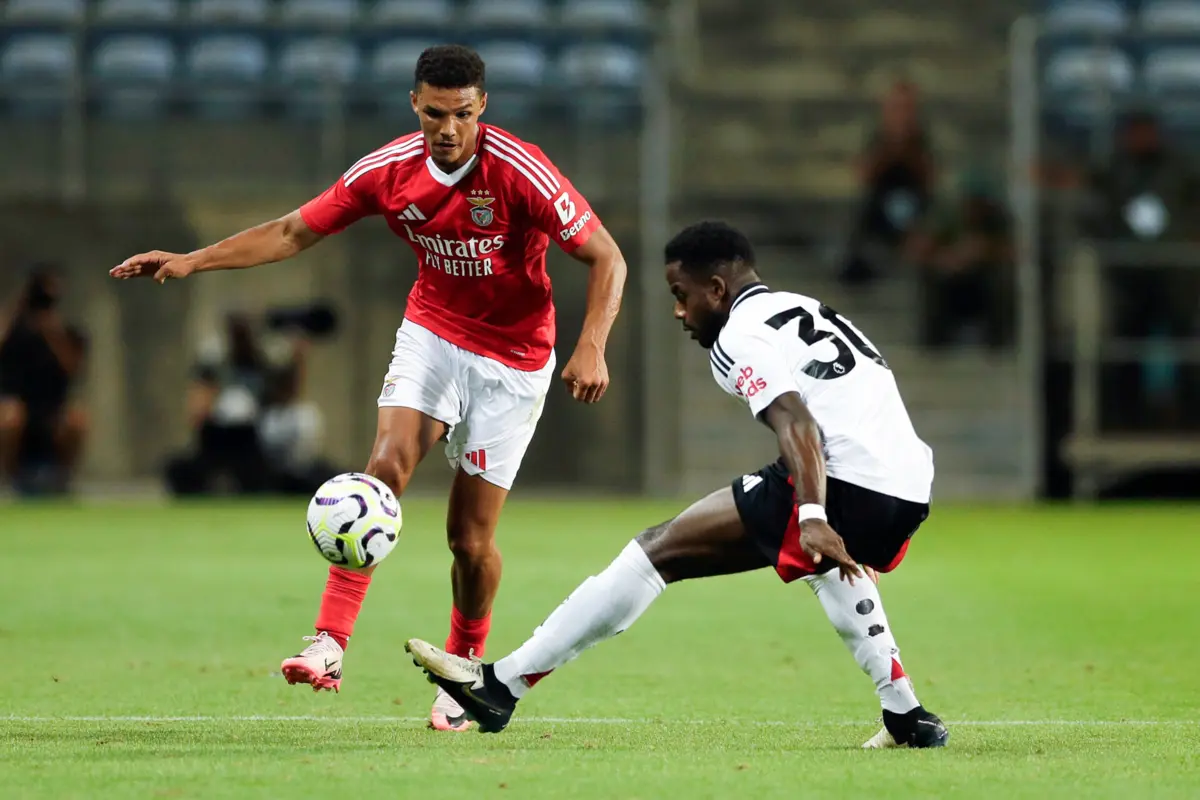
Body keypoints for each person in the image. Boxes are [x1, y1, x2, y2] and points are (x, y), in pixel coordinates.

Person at [110, 44, 628, 731]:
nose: (448, 129)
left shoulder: (517, 170)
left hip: (514, 361)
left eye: (463, 115)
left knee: (469, 542)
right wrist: (192, 261)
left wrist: (590, 344)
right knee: (382, 470)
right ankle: (329, 642)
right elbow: (295, 230)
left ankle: (465, 671)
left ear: (483, 109)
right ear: (415, 104)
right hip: (434, 335)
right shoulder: (388, 172)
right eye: (436, 113)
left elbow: (605, 254)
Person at [405, 221, 948, 749]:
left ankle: (501, 686)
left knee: (656, 552)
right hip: (909, 486)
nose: (679, 311)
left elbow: (798, 422)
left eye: (681, 294)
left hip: (847, 480)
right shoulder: (799, 307)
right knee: (822, 562)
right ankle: (905, 712)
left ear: (716, 288)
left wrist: (814, 515)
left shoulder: (739, 334)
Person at [0, 264, 89, 495]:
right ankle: (12, 483)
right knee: (10, 418)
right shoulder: (15, 329)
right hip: (18, 403)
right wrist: (16, 311)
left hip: (51, 407)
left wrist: (52, 332)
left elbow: (73, 368)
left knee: (77, 419)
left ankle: (62, 481)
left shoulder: (63, 333)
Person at [905, 169, 1013, 350]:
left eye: (981, 204)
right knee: (934, 286)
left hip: (983, 282)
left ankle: (997, 345)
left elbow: (1017, 252)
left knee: (1001, 285)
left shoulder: (998, 219)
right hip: (949, 279)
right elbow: (914, 250)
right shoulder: (947, 216)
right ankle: (934, 345)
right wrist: (948, 257)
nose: (975, 210)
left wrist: (985, 250)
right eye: (972, 204)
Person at [842, 79, 935, 286]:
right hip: (878, 215)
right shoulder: (876, 140)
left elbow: (930, 179)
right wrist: (890, 148)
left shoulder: (923, 141)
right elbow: (863, 175)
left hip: (915, 212)